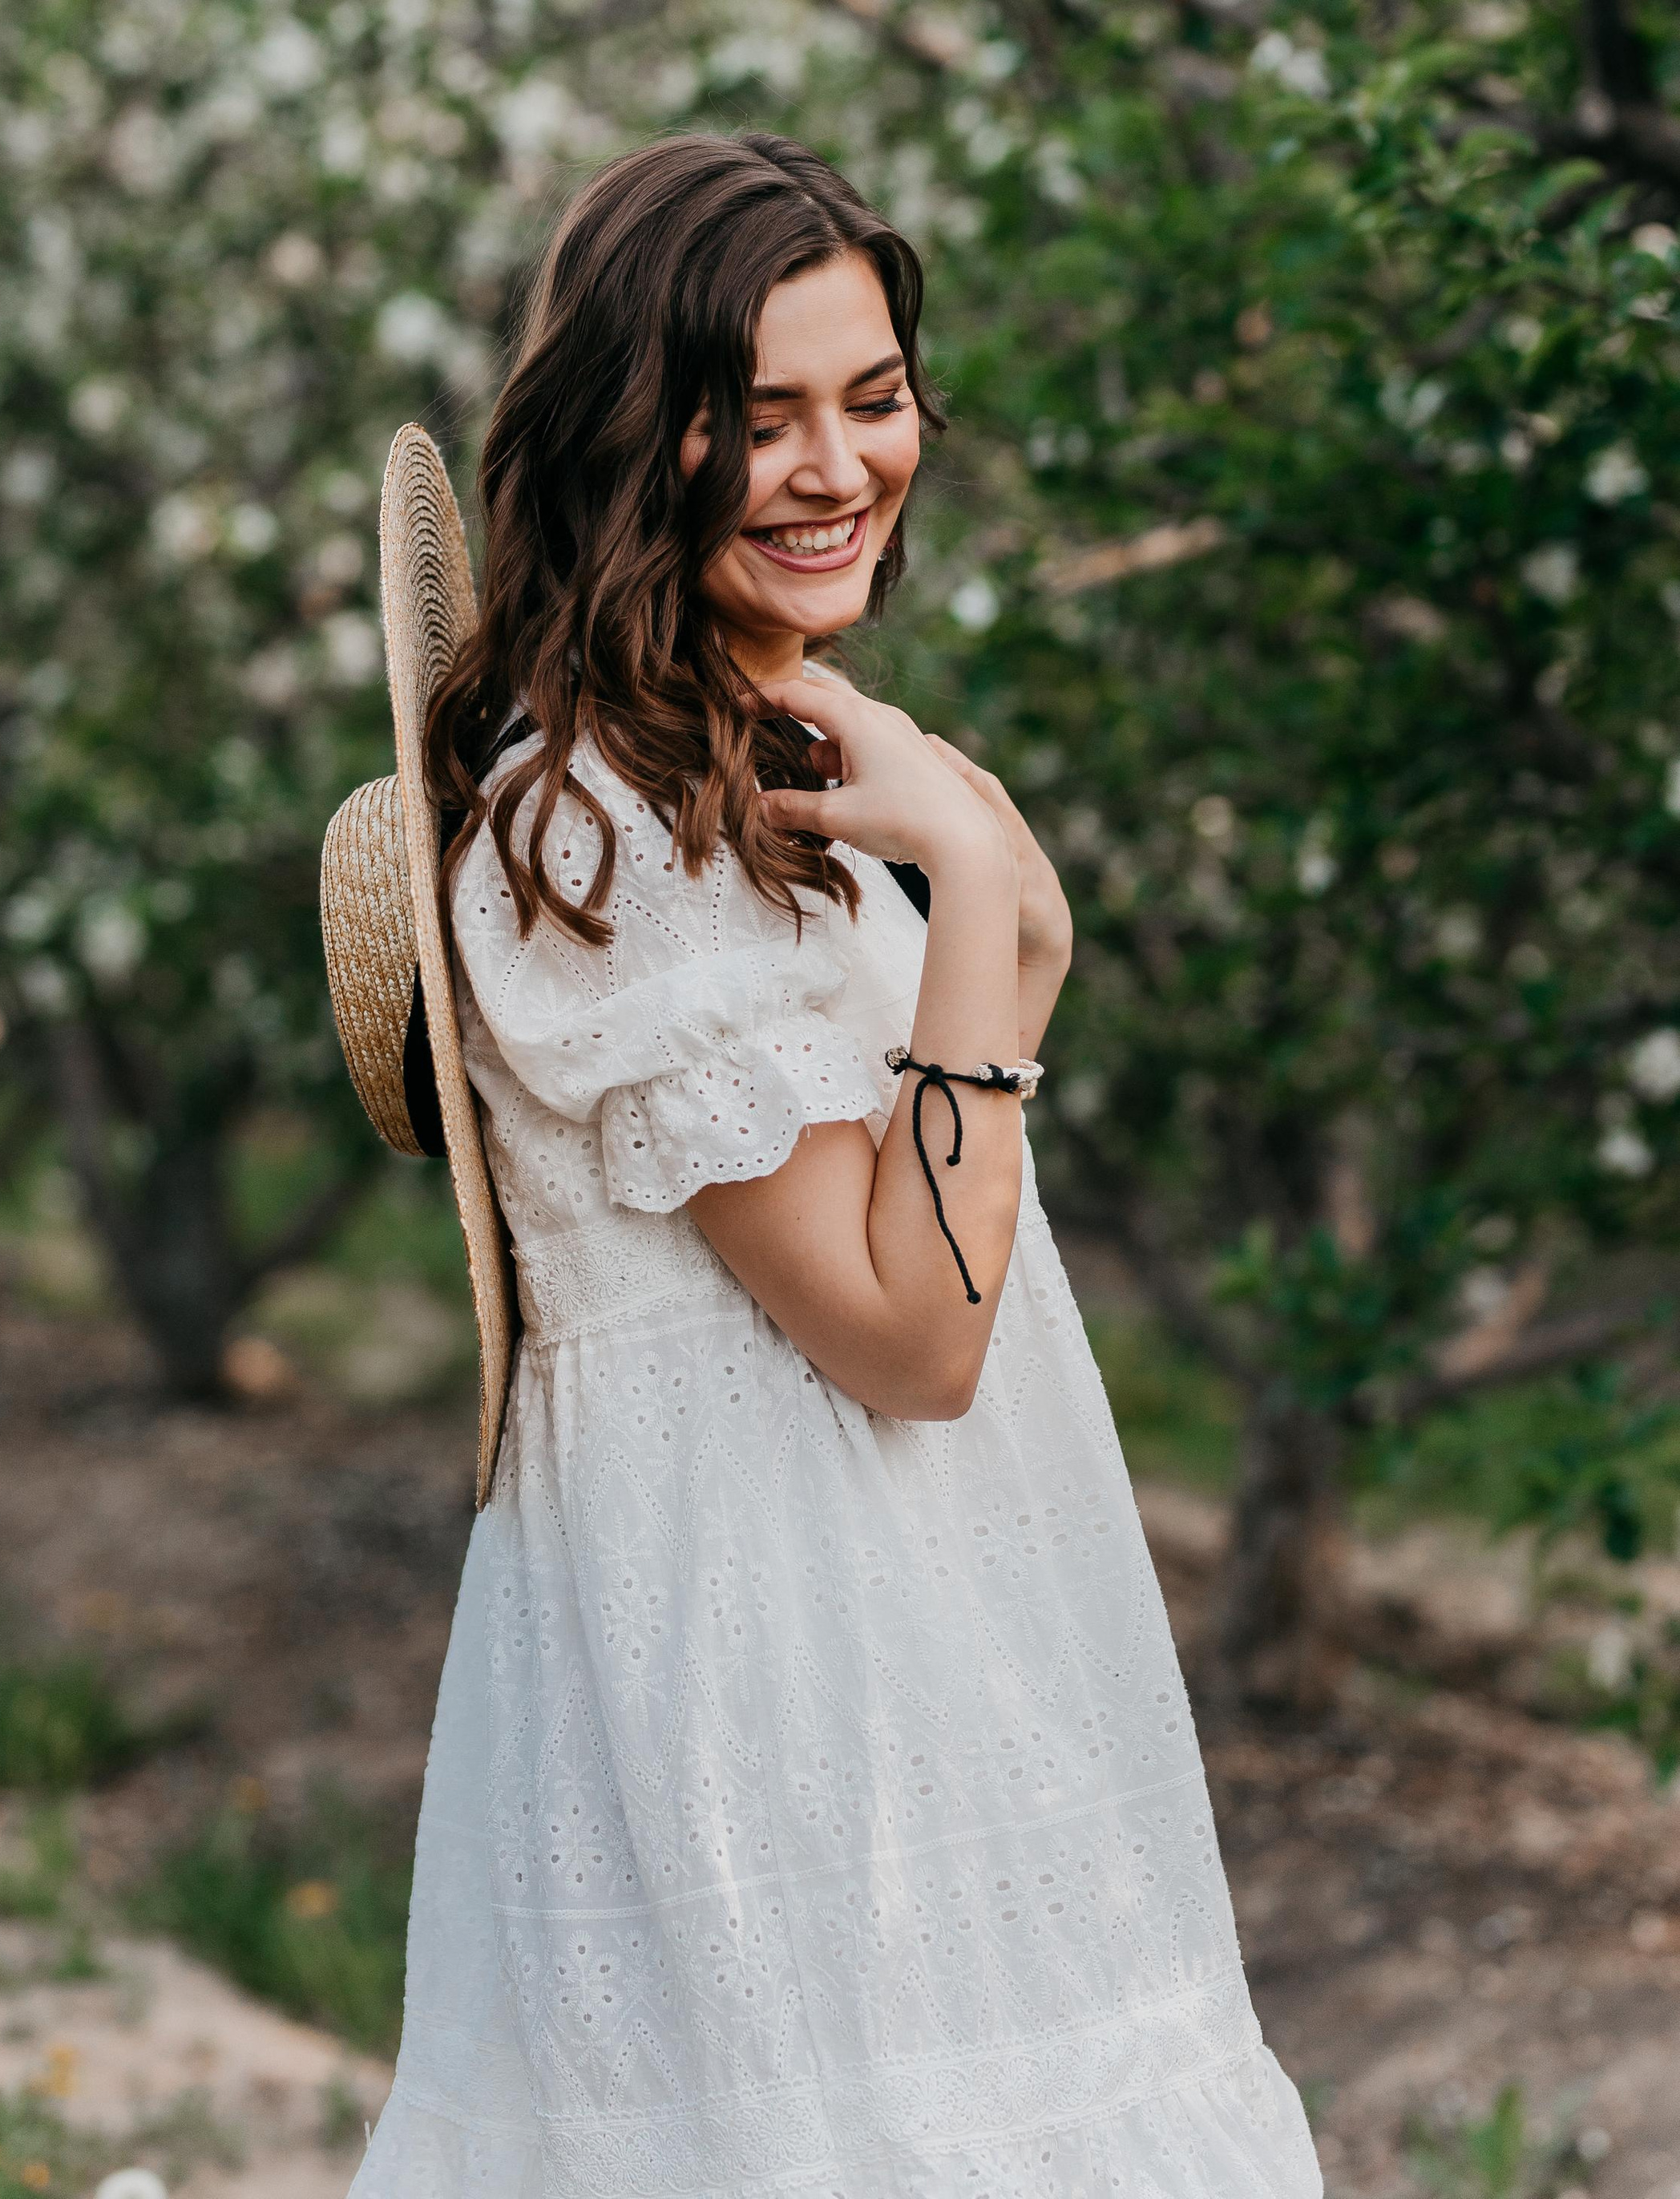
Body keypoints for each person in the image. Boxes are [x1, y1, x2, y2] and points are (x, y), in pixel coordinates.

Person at [349, 131, 1322, 2197]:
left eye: (870, 399)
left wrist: (964, 861)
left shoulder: (772, 750)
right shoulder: (604, 847)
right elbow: (908, 1337)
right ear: (642, 449)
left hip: (924, 1594)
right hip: (773, 1644)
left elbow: (1028, 970)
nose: (835, 466)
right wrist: (964, 855)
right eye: (754, 417)